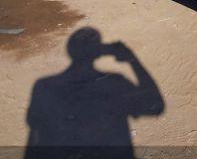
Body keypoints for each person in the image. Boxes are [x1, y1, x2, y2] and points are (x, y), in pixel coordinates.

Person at [25, 27, 164, 159]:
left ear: (70, 51)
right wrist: (132, 59)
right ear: (98, 52)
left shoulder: (44, 86)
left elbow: (34, 137)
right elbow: (155, 106)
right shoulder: (114, 83)